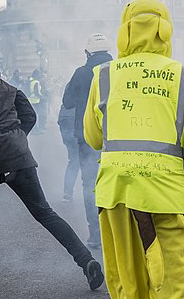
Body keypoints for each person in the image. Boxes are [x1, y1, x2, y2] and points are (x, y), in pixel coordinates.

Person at [0, 46, 104, 289]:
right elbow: (30, 115)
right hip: (20, 155)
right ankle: (86, 261)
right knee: (45, 213)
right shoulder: (5, 86)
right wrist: (16, 137)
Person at [84, 0, 184, 298]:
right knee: (174, 281)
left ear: (125, 31)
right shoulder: (182, 76)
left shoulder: (104, 74)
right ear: (165, 30)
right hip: (164, 192)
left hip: (115, 191)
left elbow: (93, 138)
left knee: (127, 281)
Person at [63, 33, 112, 249]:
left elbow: (68, 102)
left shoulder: (81, 73)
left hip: (87, 137)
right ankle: (116, 235)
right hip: (115, 137)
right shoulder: (119, 70)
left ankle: (95, 235)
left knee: (90, 185)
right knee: (115, 185)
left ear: (87, 52)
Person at [57, 103, 79, 202]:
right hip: (77, 127)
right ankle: (93, 194)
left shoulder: (69, 93)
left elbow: (61, 120)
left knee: (74, 161)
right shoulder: (88, 91)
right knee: (90, 161)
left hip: (67, 124)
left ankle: (67, 193)